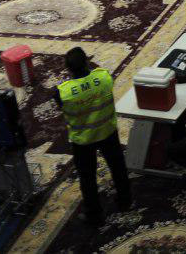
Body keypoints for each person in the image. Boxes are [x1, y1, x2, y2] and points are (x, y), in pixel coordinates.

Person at [53, 46, 131, 225]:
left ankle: (94, 215)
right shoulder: (103, 77)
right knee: (118, 167)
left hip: (83, 140)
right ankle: (125, 200)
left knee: (87, 177)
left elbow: (61, 106)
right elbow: (98, 75)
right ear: (87, 61)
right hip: (107, 131)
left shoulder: (62, 92)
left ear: (68, 69)